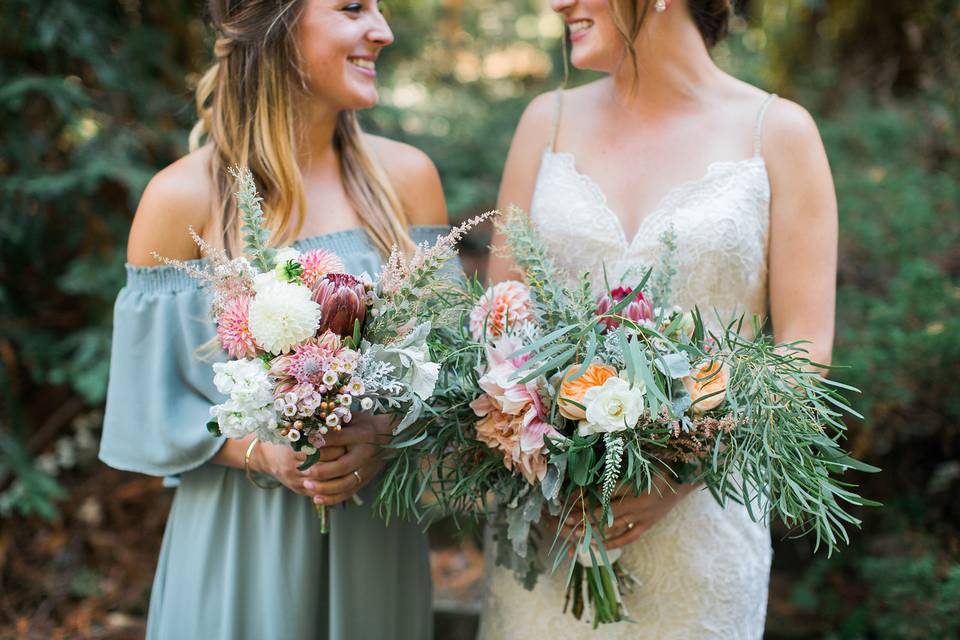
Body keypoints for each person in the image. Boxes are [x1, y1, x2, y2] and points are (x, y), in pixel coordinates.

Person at [480, 0, 837, 637]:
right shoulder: (547, 122)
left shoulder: (778, 133)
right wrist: (549, 443)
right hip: (552, 522)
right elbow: (500, 320)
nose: (557, 3)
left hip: (702, 532)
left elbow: (803, 354)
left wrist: (683, 462)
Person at [99, 1, 447, 638]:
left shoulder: (408, 181)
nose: (383, 30)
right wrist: (261, 450)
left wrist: (382, 431)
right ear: (277, 27)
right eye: (351, 7)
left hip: (375, 542)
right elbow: (150, 409)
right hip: (238, 549)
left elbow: (453, 380)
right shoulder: (182, 198)